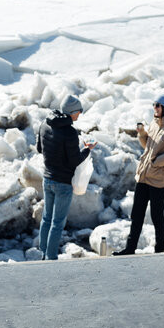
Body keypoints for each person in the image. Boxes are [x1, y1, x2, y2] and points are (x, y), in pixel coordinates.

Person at [114, 90, 164, 255]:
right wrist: (142, 134)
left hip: (159, 179)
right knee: (136, 213)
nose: (155, 108)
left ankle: (159, 250)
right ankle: (130, 248)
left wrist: (155, 163)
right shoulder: (155, 123)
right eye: (154, 105)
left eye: (158, 105)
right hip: (144, 176)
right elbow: (148, 146)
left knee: (156, 215)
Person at [36, 95, 96, 260]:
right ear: (72, 112)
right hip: (62, 183)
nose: (79, 115)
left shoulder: (44, 124)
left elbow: (39, 149)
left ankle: (43, 254)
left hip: (47, 179)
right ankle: (52, 258)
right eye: (78, 112)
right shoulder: (70, 132)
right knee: (57, 223)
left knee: (47, 218)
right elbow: (75, 160)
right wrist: (87, 148)